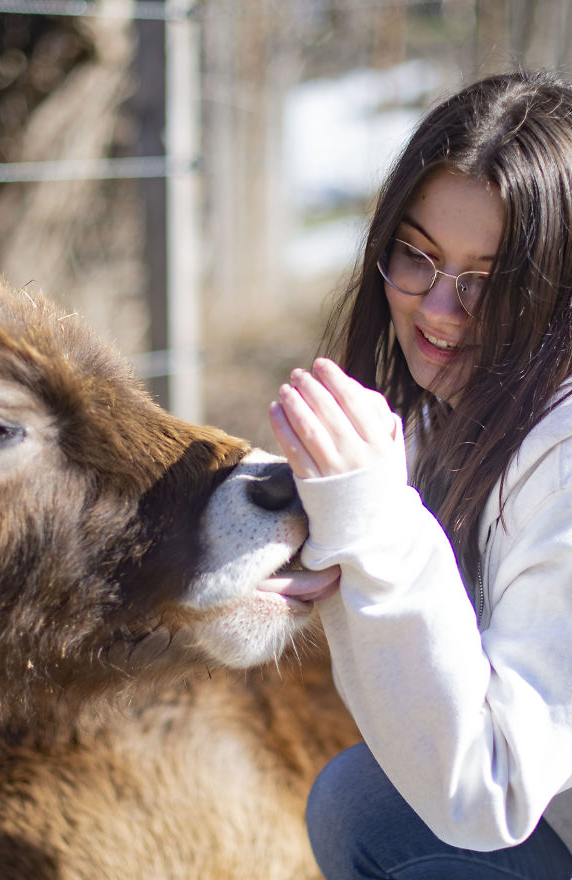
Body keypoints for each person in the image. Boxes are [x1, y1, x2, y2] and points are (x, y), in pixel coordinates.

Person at [269, 69, 572, 879]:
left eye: (491, 281)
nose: (440, 309)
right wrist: (334, 546)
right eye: (419, 257)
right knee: (358, 804)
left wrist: (376, 531)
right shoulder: (462, 413)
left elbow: (491, 789)